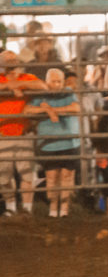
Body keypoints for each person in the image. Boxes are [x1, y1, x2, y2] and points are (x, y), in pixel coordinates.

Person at [24, 68, 81, 217]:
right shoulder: (40, 94)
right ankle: (53, 208)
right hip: (49, 143)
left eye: (59, 81)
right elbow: (27, 110)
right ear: (47, 82)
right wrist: (48, 111)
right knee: (52, 177)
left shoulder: (68, 92)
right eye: (53, 81)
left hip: (69, 142)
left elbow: (75, 107)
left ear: (63, 82)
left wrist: (50, 109)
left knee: (67, 176)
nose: (56, 85)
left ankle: (64, 210)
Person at [0, 51, 50, 216]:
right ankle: (10, 207)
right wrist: (8, 86)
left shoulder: (26, 77)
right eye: (7, 58)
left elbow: (43, 86)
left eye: (13, 58)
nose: (11, 61)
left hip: (23, 133)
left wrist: (18, 85)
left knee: (27, 173)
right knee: (3, 174)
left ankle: (27, 209)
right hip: (3, 133)